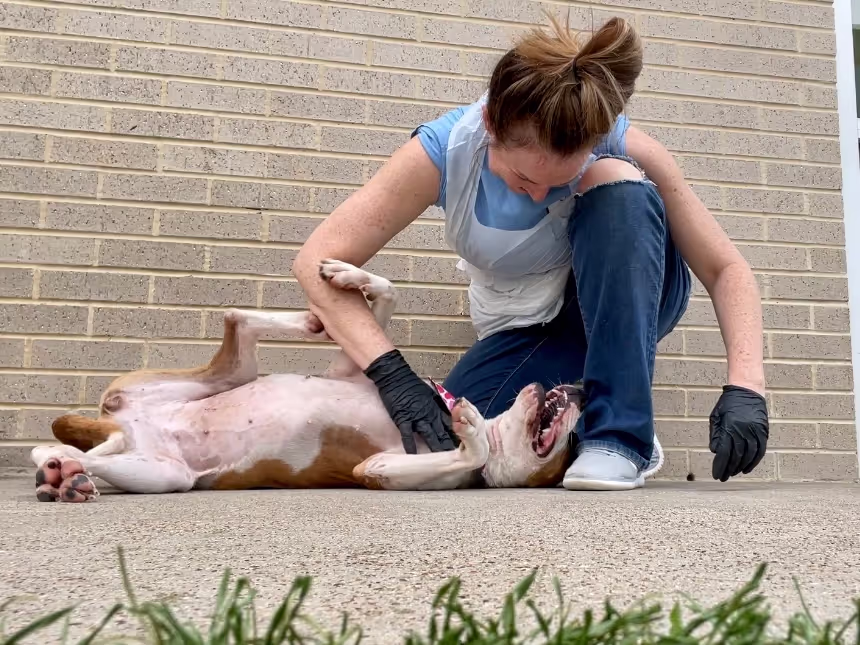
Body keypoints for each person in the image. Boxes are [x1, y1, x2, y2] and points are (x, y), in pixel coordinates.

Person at [292, 15, 769, 490]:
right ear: (489, 124)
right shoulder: (443, 153)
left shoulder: (622, 143)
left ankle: (619, 436)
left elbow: (725, 267)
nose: (540, 196)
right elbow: (316, 260)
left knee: (617, 183)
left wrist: (746, 387)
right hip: (524, 328)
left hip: (625, 293)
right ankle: (585, 413)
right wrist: (392, 374)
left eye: (558, 182)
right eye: (523, 179)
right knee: (453, 447)